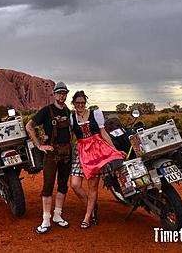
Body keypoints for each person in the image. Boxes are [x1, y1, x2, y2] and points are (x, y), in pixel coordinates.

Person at [69, 90, 125, 229]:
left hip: (96, 150)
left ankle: (88, 217)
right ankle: (92, 205)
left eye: (82, 102)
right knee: (75, 184)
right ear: (74, 104)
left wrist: (115, 150)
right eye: (77, 103)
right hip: (81, 150)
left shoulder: (96, 114)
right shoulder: (71, 117)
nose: (80, 105)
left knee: (92, 186)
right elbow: (70, 137)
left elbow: (103, 133)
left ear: (85, 102)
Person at [25, 81, 72, 234]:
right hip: (51, 153)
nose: (62, 95)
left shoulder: (68, 112)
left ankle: (58, 215)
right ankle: (46, 220)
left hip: (67, 153)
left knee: (63, 185)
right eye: (59, 93)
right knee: (48, 186)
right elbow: (29, 126)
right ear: (54, 94)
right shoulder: (46, 111)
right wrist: (39, 145)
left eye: (64, 93)